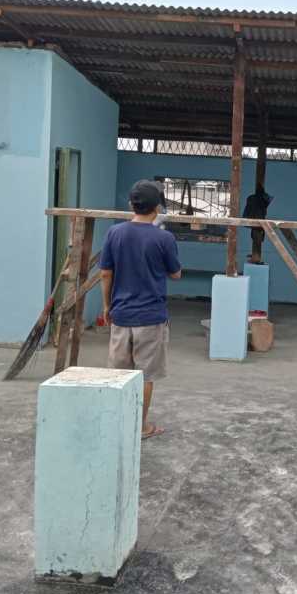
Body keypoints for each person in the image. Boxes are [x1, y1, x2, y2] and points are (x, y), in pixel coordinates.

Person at [101, 180, 182, 440]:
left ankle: (117, 424)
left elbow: (105, 273)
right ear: (157, 208)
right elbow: (176, 274)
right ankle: (141, 426)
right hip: (151, 317)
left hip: (121, 315)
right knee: (145, 376)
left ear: (130, 205)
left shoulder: (114, 233)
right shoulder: (164, 238)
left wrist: (107, 305)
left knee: (119, 375)